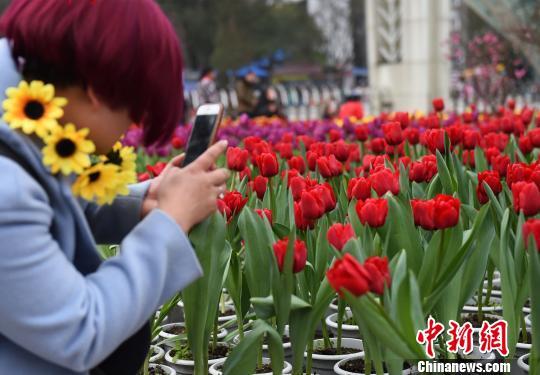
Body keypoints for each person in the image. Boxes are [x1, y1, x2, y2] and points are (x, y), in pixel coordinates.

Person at [0, 1, 230, 374]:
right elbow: (78, 331)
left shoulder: (23, 113)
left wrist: (142, 203)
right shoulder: (5, 188)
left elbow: (50, 202)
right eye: (134, 110)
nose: (133, 126)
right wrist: (170, 222)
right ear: (96, 90)